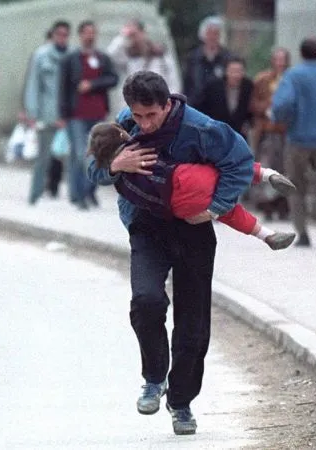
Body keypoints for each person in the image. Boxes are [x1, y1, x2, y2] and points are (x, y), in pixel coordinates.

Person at [87, 70, 252, 435]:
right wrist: (116, 165)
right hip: (146, 227)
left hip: (193, 227)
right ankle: (154, 376)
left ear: (167, 104)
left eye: (152, 115)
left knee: (193, 325)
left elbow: (240, 162)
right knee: (146, 301)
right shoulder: (123, 126)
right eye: (138, 115)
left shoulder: (201, 129)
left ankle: (181, 403)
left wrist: (216, 207)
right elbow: (92, 170)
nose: (144, 124)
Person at [87, 121, 296, 249]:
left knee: (229, 213)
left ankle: (265, 235)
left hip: (177, 205)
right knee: (219, 171)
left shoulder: (124, 182)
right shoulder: (142, 141)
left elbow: (95, 173)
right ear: (122, 132)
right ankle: (266, 174)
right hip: (184, 176)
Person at [271, 37, 316, 247]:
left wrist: (281, 119)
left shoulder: (293, 76)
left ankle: (302, 233)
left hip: (299, 138)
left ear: (301, 53)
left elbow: (283, 103)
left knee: (294, 185)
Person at [59, 19, 119, 210]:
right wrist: (62, 114)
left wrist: (93, 85)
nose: (90, 35)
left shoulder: (102, 58)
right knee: (79, 153)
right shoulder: (70, 59)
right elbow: (63, 87)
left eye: (93, 32)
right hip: (76, 114)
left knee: (99, 154)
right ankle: (78, 195)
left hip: (98, 113)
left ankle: (90, 191)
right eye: (86, 32)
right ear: (80, 35)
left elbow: (113, 79)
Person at [25, 20, 70, 205]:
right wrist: (32, 113)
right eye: (58, 34)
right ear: (52, 35)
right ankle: (34, 196)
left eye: (65, 34)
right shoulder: (41, 56)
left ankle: (72, 198)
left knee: (71, 158)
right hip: (46, 114)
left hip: (68, 115)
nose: (62, 38)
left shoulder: (72, 56)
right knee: (43, 157)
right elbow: (33, 85)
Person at [250, 47, 291, 221]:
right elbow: (252, 104)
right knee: (267, 165)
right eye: (277, 59)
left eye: (283, 59)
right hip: (267, 130)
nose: (280, 63)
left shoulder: (291, 80)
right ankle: (266, 202)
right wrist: (266, 106)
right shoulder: (262, 80)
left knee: (285, 167)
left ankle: (282, 202)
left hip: (286, 131)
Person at [107, 19, 181, 115]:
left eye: (135, 33)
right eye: (131, 35)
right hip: (135, 108)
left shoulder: (159, 53)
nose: (134, 38)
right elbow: (110, 55)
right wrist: (123, 36)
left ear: (143, 33)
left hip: (159, 106)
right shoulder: (127, 55)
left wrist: (171, 102)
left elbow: (173, 79)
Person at [193, 57, 253, 140]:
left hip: (240, 135)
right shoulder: (213, 87)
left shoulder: (248, 86)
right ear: (226, 71)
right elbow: (199, 106)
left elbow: (252, 108)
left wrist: (248, 123)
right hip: (217, 133)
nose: (236, 75)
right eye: (232, 71)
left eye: (239, 71)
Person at [182, 15, 233, 105]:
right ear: (203, 35)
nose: (212, 37)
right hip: (195, 105)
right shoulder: (193, 57)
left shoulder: (228, 58)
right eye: (209, 33)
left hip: (218, 107)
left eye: (216, 34)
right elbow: (187, 85)